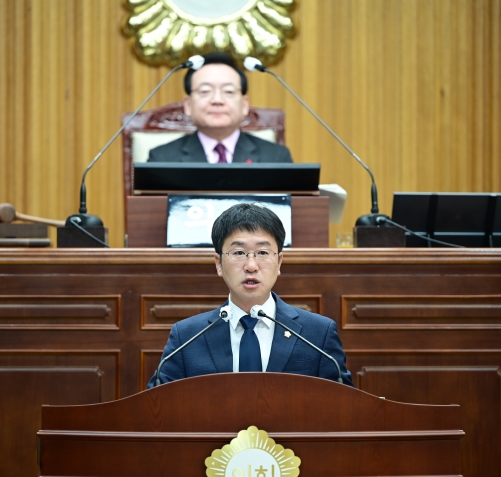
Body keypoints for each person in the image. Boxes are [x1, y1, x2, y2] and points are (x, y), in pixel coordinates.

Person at [147, 203, 352, 388]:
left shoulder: (318, 334)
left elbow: (344, 406)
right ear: (218, 264)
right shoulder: (187, 336)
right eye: (238, 253)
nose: (251, 266)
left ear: (279, 262)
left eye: (263, 253)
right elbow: (156, 405)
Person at [147, 52, 293, 163]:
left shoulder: (276, 158)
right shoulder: (162, 159)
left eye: (228, 91)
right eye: (205, 91)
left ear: (244, 105)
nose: (217, 100)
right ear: (188, 105)